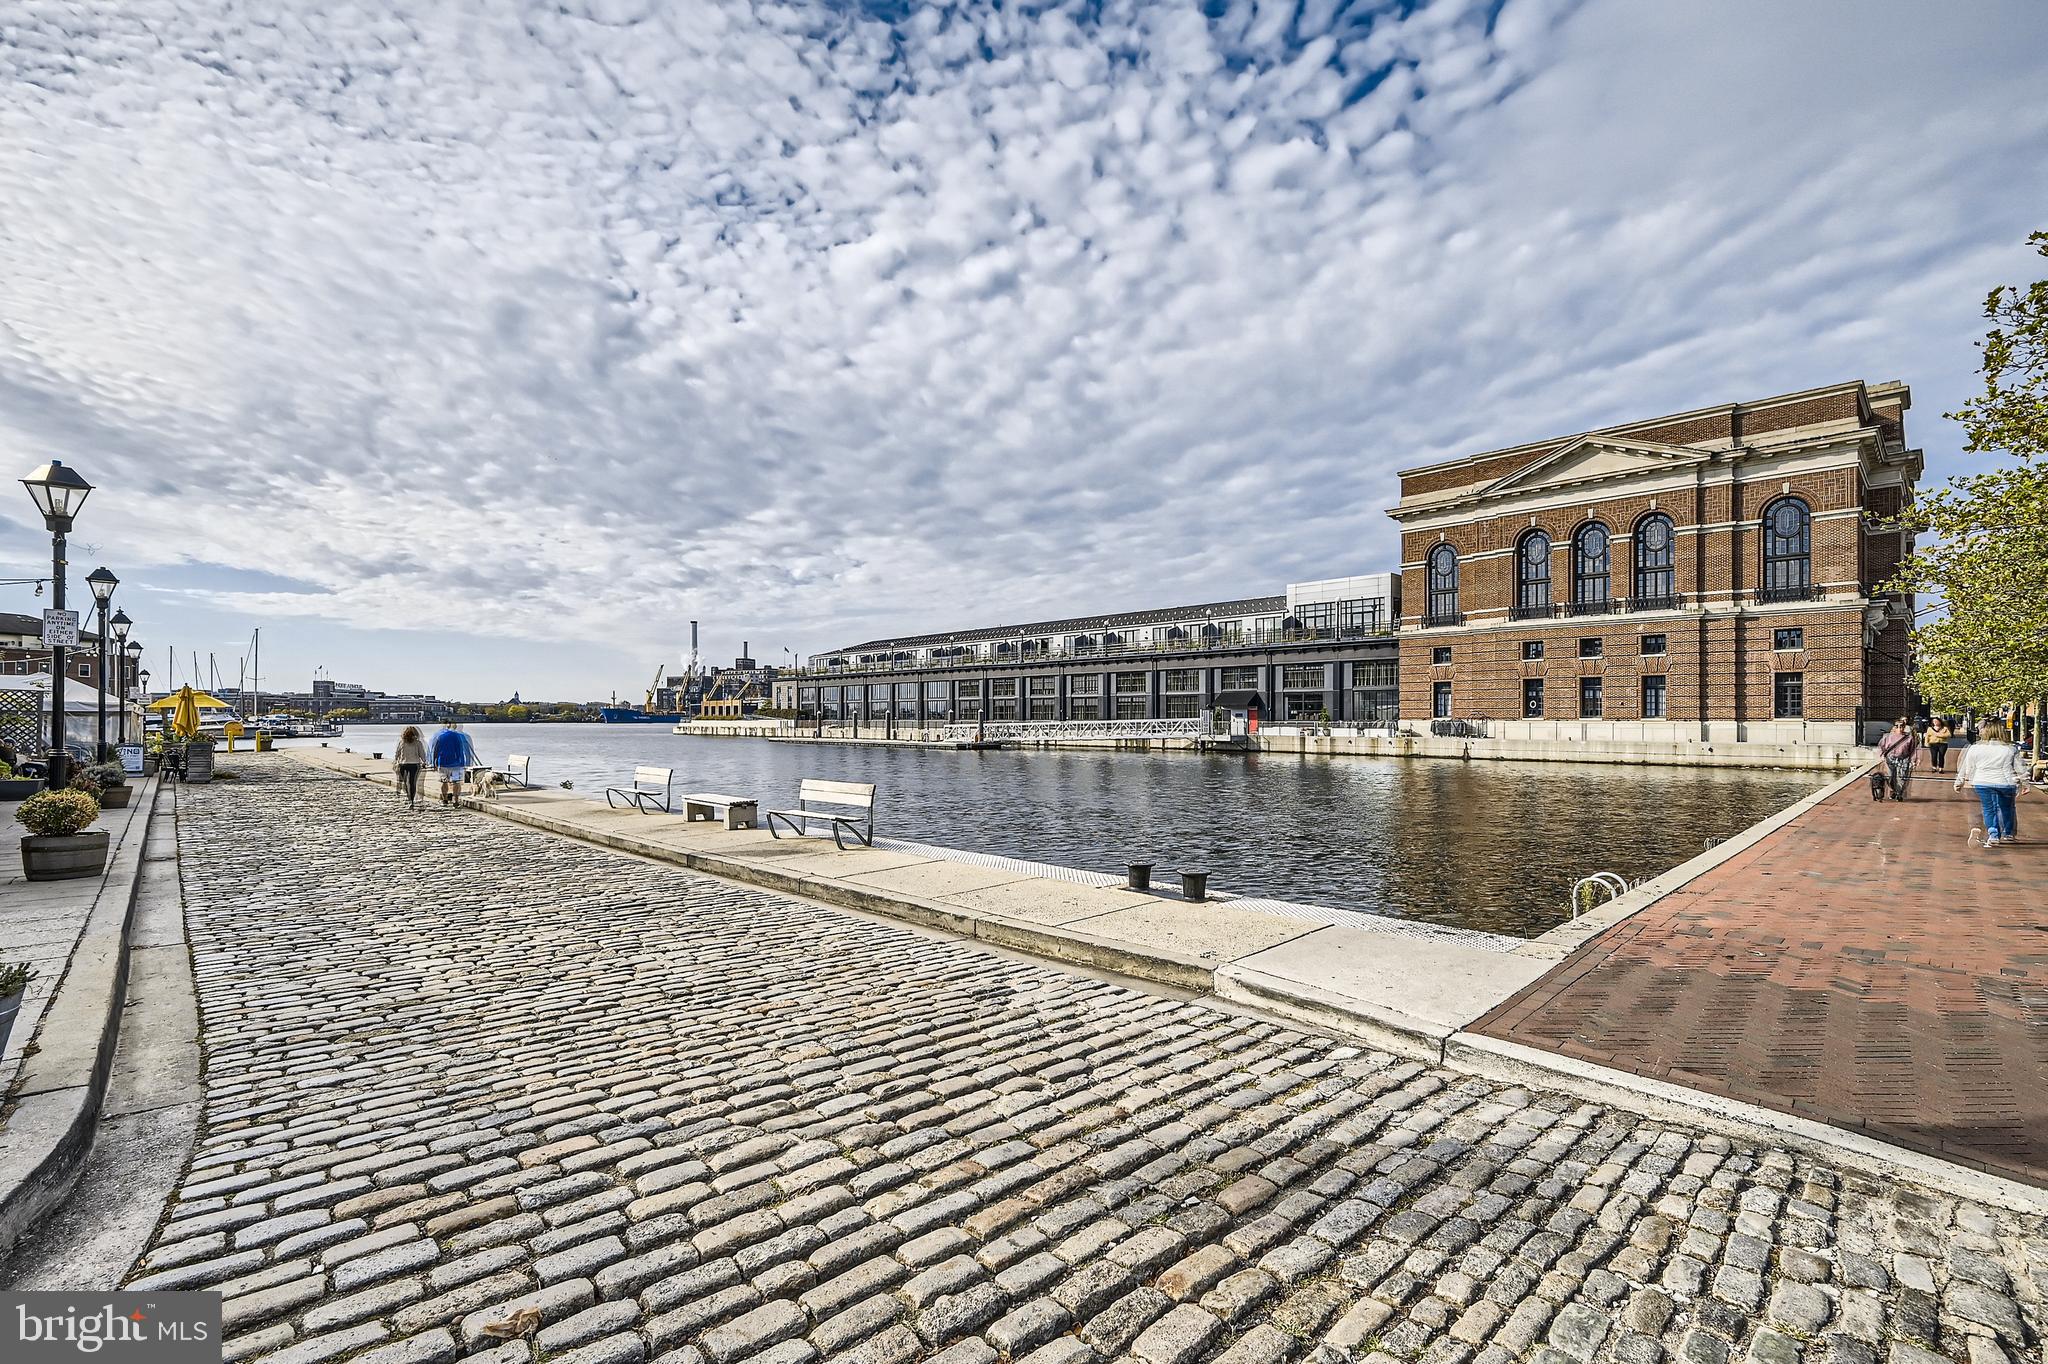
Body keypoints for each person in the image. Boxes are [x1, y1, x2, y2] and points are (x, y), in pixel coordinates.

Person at [1955, 719, 2025, 848]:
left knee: (1989, 809)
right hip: (2006, 783)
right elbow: (2020, 768)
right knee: (2006, 808)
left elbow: (1967, 767)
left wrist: (1959, 781)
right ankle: (2008, 833)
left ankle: (1993, 834)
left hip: (1983, 782)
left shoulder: (1975, 748)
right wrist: (2025, 783)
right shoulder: (2010, 749)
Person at [429, 722, 478, 807]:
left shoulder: (440, 736)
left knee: (444, 782)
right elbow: (460, 750)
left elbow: (435, 750)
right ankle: (455, 800)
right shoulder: (458, 736)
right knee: (456, 782)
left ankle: (444, 800)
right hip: (456, 763)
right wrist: (464, 763)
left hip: (443, 762)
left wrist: (434, 762)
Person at [1876, 716, 1918, 801]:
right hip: (1890, 758)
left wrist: (1913, 760)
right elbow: (1881, 747)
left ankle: (1899, 793)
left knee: (1902, 777)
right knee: (1890, 776)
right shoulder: (1888, 737)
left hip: (1903, 759)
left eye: (1901, 726)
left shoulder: (1909, 738)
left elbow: (1913, 750)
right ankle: (1893, 790)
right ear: (1894, 727)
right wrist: (1880, 756)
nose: (1899, 728)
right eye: (1897, 726)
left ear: (1904, 727)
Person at [393, 725, 427, 810]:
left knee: (405, 782)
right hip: (414, 764)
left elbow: (397, 753)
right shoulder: (418, 742)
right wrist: (424, 761)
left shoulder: (402, 742)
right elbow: (422, 754)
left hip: (403, 764)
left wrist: (396, 761)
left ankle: (409, 797)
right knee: (412, 782)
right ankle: (411, 799)